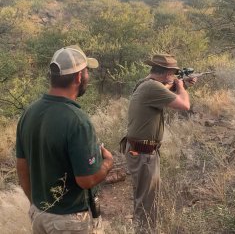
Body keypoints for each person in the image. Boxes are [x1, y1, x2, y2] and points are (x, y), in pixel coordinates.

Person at [16, 45, 114, 234]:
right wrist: (108, 162)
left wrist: (37, 206)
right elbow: (87, 180)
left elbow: (22, 167)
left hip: (39, 214)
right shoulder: (77, 120)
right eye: (86, 71)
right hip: (70, 220)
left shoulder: (29, 112)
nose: (88, 77)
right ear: (79, 77)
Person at [120, 54, 196, 233]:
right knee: (146, 203)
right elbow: (184, 105)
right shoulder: (153, 87)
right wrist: (182, 88)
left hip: (142, 152)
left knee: (146, 200)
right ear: (168, 73)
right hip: (144, 153)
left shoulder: (146, 84)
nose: (174, 75)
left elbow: (167, 92)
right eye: (173, 73)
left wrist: (179, 85)